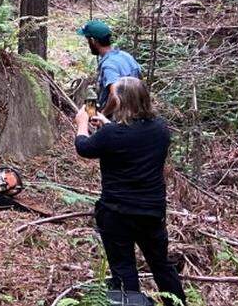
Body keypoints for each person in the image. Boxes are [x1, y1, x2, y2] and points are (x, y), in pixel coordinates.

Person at [75, 77, 186, 306]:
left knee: (124, 269)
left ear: (119, 101)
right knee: (161, 265)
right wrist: (108, 125)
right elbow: (131, 139)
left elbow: (84, 148)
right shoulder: (161, 130)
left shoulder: (112, 135)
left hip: (117, 213)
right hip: (151, 213)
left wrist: (81, 125)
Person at [78, 19, 141, 111]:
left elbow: (115, 94)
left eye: (87, 40)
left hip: (118, 118)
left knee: (88, 107)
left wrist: (103, 115)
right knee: (90, 93)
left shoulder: (108, 65)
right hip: (135, 112)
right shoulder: (126, 56)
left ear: (92, 41)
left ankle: (91, 119)